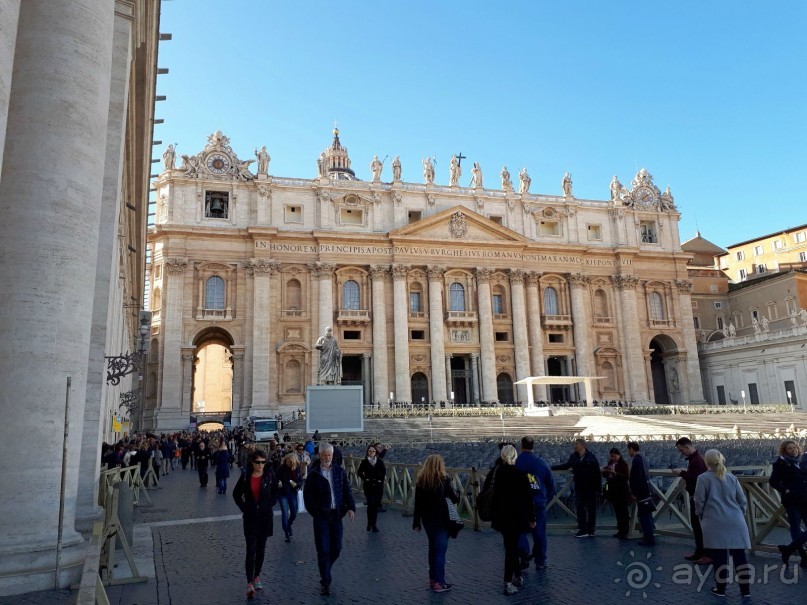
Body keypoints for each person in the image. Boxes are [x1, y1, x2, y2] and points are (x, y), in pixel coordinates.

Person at [695, 449, 752, 598]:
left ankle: (720, 589)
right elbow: (742, 500)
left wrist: (701, 515)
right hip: (735, 520)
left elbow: (699, 501)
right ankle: (745, 591)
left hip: (714, 521)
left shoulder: (703, 478)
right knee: (740, 556)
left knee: (719, 557)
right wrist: (739, 513)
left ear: (706, 461)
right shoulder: (731, 477)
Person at [303, 442, 355, 596]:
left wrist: (351, 507)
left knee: (336, 549)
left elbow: (347, 490)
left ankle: (325, 569)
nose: (327, 458)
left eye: (330, 455)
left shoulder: (339, 471)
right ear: (320, 455)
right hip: (321, 517)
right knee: (323, 550)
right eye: (325, 455)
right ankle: (326, 581)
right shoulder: (313, 474)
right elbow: (308, 497)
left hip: (337, 515)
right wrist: (316, 512)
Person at [233, 450, 280, 599]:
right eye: (258, 462)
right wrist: (244, 507)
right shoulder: (246, 476)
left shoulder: (269, 475)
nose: (261, 465)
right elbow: (236, 494)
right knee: (251, 550)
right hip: (251, 518)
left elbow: (276, 492)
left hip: (265, 517)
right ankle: (249, 582)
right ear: (252, 462)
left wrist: (269, 504)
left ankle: (257, 576)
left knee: (261, 550)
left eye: (263, 462)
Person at [491, 445, 536, 596]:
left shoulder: (497, 473)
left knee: (511, 546)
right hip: (516, 517)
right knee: (511, 549)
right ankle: (508, 581)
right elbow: (528, 499)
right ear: (515, 456)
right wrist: (532, 518)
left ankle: (518, 576)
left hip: (502, 517)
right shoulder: (521, 474)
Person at [413, 454, 458, 593]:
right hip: (442, 520)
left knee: (432, 549)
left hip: (427, 520)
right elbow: (454, 498)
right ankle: (439, 582)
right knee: (440, 552)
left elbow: (418, 504)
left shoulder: (421, 481)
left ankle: (433, 579)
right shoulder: (443, 480)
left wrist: (416, 522)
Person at [515, 436, 555, 570]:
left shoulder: (515, 462)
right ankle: (540, 560)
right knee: (539, 533)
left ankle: (524, 555)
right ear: (533, 446)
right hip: (538, 503)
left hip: (520, 504)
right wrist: (544, 499)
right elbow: (551, 485)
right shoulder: (542, 463)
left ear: (521, 446)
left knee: (519, 532)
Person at [551, 438, 601, 537]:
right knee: (580, 508)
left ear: (583, 445)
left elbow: (597, 474)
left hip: (590, 487)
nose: (575, 446)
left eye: (576, 444)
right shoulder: (574, 456)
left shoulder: (592, 457)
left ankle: (591, 530)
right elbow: (566, 466)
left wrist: (599, 489)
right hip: (579, 487)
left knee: (591, 509)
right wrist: (551, 468)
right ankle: (583, 529)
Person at [672, 437, 710, 564]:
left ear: (687, 447)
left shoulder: (697, 460)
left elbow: (696, 478)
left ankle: (705, 553)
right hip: (696, 496)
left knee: (700, 527)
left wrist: (681, 473)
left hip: (698, 498)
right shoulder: (696, 459)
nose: (681, 452)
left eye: (681, 450)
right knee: (696, 526)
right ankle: (699, 552)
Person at [770, 440, 807, 567]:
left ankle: (789, 549)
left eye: (795, 447)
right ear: (784, 450)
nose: (794, 450)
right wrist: (785, 490)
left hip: (804, 499)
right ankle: (804, 557)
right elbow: (773, 481)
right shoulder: (779, 463)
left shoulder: (800, 462)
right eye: (790, 448)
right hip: (791, 501)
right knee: (795, 528)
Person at [627, 442, 655, 546]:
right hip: (646, 491)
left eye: (628, 450)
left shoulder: (637, 460)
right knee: (648, 515)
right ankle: (649, 536)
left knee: (644, 516)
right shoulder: (642, 458)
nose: (628, 452)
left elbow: (637, 478)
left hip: (641, 493)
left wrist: (634, 493)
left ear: (631, 449)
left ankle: (648, 538)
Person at [601, 447, 631, 539]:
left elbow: (626, 477)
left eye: (614, 456)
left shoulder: (624, 464)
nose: (613, 458)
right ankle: (620, 530)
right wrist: (605, 471)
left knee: (623, 512)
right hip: (613, 491)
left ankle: (625, 531)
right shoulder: (610, 463)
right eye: (611, 457)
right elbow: (606, 476)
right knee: (617, 512)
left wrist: (615, 473)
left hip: (621, 491)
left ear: (619, 455)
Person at [357, 444, 386, 532]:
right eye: (370, 451)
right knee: (370, 505)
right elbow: (359, 472)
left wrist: (380, 480)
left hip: (378, 486)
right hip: (368, 486)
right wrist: (365, 479)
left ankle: (374, 524)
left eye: (373, 451)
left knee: (375, 506)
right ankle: (370, 522)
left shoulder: (380, 461)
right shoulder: (364, 462)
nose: (372, 452)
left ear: (375, 452)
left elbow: (384, 472)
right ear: (367, 452)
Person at [277, 452, 301, 542]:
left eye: (291, 462)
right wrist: (278, 483)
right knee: (285, 513)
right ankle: (286, 532)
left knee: (294, 513)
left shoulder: (297, 469)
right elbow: (275, 478)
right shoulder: (281, 469)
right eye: (287, 461)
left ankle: (289, 524)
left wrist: (296, 484)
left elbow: (300, 481)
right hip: (283, 493)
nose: (289, 463)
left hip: (292, 492)